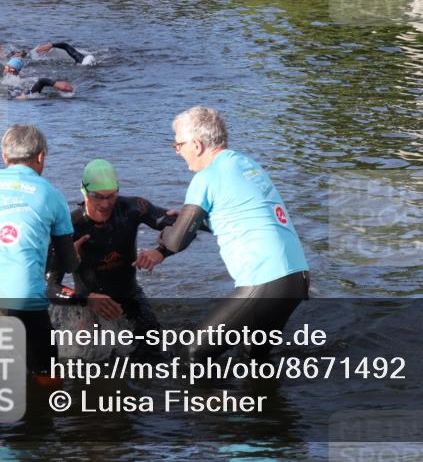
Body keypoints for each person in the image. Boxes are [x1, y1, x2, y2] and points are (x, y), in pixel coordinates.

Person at [145, 107, 309, 361]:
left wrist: (168, 232)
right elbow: (235, 219)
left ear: (196, 145)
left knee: (192, 354)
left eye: (178, 145)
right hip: (297, 279)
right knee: (253, 359)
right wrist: (190, 222)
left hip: (265, 281)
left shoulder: (207, 177)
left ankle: (206, 395)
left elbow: (177, 241)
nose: (177, 151)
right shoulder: (245, 164)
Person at [0, 124, 80, 380]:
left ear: (4, 156)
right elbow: (68, 263)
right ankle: (44, 402)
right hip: (22, 297)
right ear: (41, 156)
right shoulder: (52, 195)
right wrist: (74, 256)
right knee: (46, 374)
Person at [46, 160, 177, 357]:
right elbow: (48, 286)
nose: (105, 204)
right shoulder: (69, 227)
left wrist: (161, 252)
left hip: (129, 296)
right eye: (97, 197)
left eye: (111, 196)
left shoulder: (133, 208)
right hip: (88, 305)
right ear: (84, 192)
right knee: (83, 361)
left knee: (156, 350)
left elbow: (186, 226)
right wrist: (85, 299)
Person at [0, 52, 75, 99]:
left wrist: (54, 83)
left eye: (12, 71)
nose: (8, 72)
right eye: (8, 68)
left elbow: (41, 82)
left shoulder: (19, 81)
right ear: (6, 66)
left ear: (16, 72)